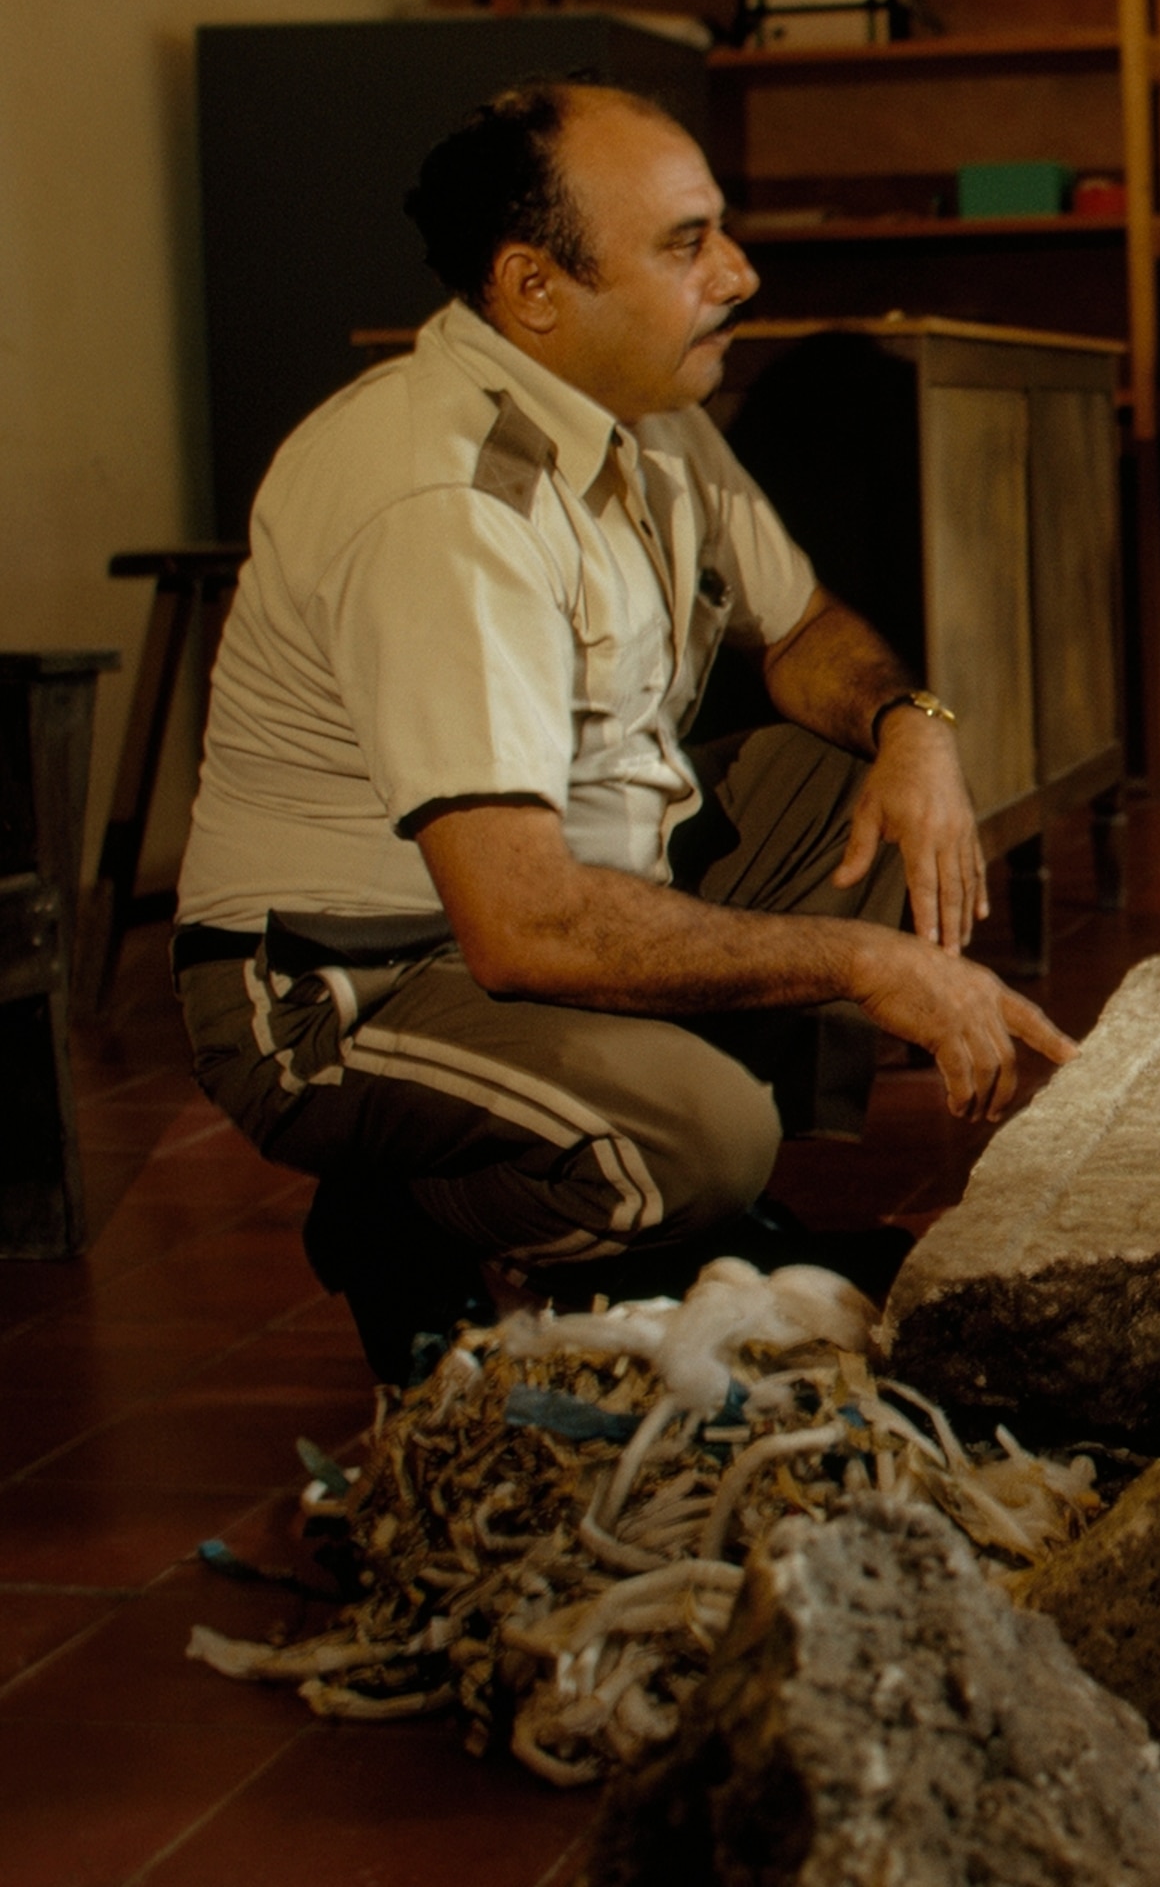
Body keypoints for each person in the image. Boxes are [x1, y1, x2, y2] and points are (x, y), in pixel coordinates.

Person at [173, 79, 1076, 1377]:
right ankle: (423, 1221)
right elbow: (519, 919)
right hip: (353, 982)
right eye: (684, 243)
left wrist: (912, 724)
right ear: (536, 289)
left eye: (721, 231)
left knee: (849, 785)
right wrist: (867, 966)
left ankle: (655, 1186)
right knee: (705, 1138)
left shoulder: (651, 415)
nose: (739, 272)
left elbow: (806, 627)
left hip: (532, 912)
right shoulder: (445, 501)